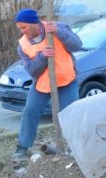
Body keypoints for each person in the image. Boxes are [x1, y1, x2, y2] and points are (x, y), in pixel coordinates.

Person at [12, 8, 82, 160]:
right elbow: (33, 71)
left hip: (66, 80)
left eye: (24, 27)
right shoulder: (22, 44)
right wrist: (42, 56)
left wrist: (58, 32)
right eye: (20, 28)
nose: (22, 31)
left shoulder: (57, 27)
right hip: (42, 84)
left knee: (72, 114)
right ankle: (22, 148)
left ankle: (76, 147)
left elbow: (77, 45)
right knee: (30, 112)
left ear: (34, 23)